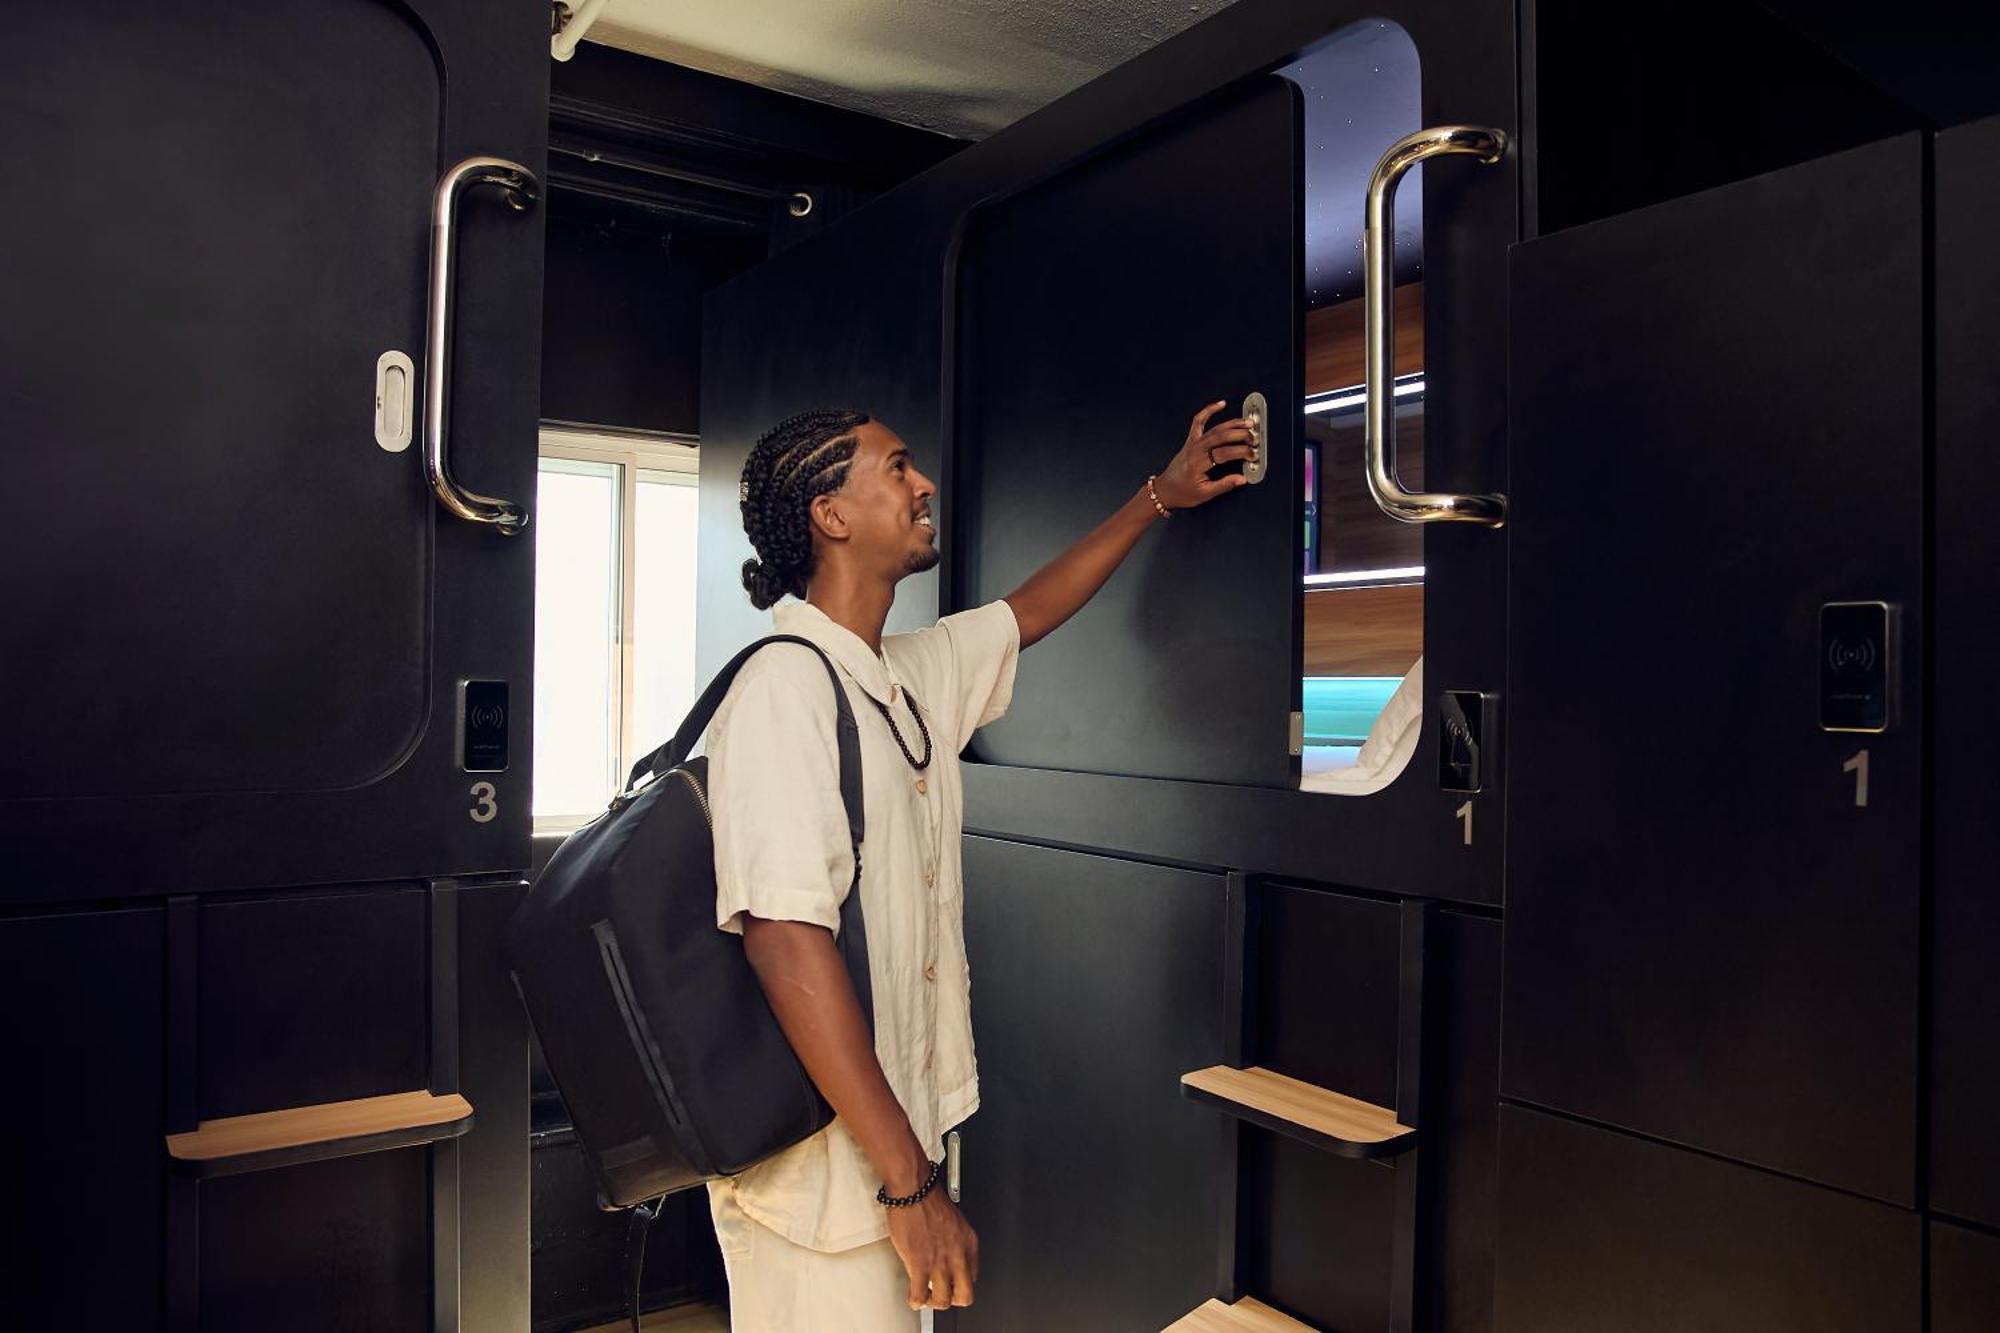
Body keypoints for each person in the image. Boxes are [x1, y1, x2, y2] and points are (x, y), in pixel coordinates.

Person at [705, 402, 1257, 1330]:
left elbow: (1026, 612)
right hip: (822, 1187)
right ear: (830, 515)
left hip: (891, 1161)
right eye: (896, 467)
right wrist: (912, 1186)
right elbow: (786, 944)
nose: (924, 486)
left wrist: (1158, 496)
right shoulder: (783, 686)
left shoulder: (901, 676)